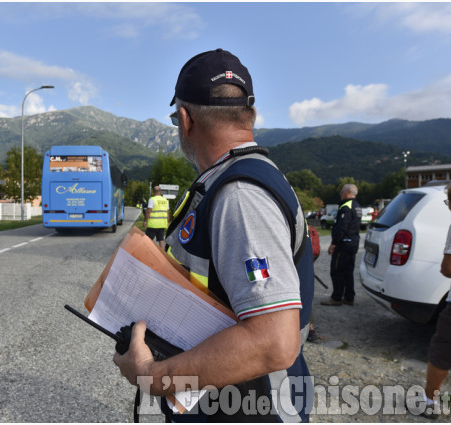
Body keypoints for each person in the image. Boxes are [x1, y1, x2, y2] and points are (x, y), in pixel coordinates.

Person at [113, 49, 314, 422]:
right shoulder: (234, 179)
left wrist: (152, 378)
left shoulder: (240, 195)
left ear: (186, 120)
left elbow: (273, 342)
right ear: (249, 114)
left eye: (176, 118)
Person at [420, 178, 451, 419]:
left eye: (450, 202)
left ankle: (430, 403)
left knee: (443, 348)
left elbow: (448, 267)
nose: (449, 208)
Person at [321, 184, 361, 306]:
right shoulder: (357, 206)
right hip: (353, 243)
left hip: (343, 244)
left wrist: (334, 243)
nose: (340, 193)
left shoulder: (346, 206)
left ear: (348, 192)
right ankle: (349, 298)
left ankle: (336, 298)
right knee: (348, 271)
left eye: (341, 191)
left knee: (337, 270)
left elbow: (342, 227)